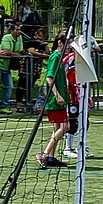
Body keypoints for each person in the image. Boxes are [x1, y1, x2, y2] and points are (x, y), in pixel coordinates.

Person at [36, 34, 80, 169]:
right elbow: (49, 78)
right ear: (60, 43)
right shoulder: (55, 57)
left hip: (61, 99)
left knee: (58, 128)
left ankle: (51, 157)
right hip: (55, 100)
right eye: (68, 43)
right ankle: (44, 154)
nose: (70, 47)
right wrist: (57, 95)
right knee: (65, 127)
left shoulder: (60, 58)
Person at [0, 22, 24, 113]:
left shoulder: (19, 38)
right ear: (11, 30)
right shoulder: (6, 37)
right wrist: (15, 54)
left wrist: (14, 54)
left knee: (9, 86)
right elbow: (6, 51)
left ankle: (3, 105)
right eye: (17, 29)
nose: (19, 31)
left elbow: (20, 51)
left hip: (7, 66)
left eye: (19, 29)